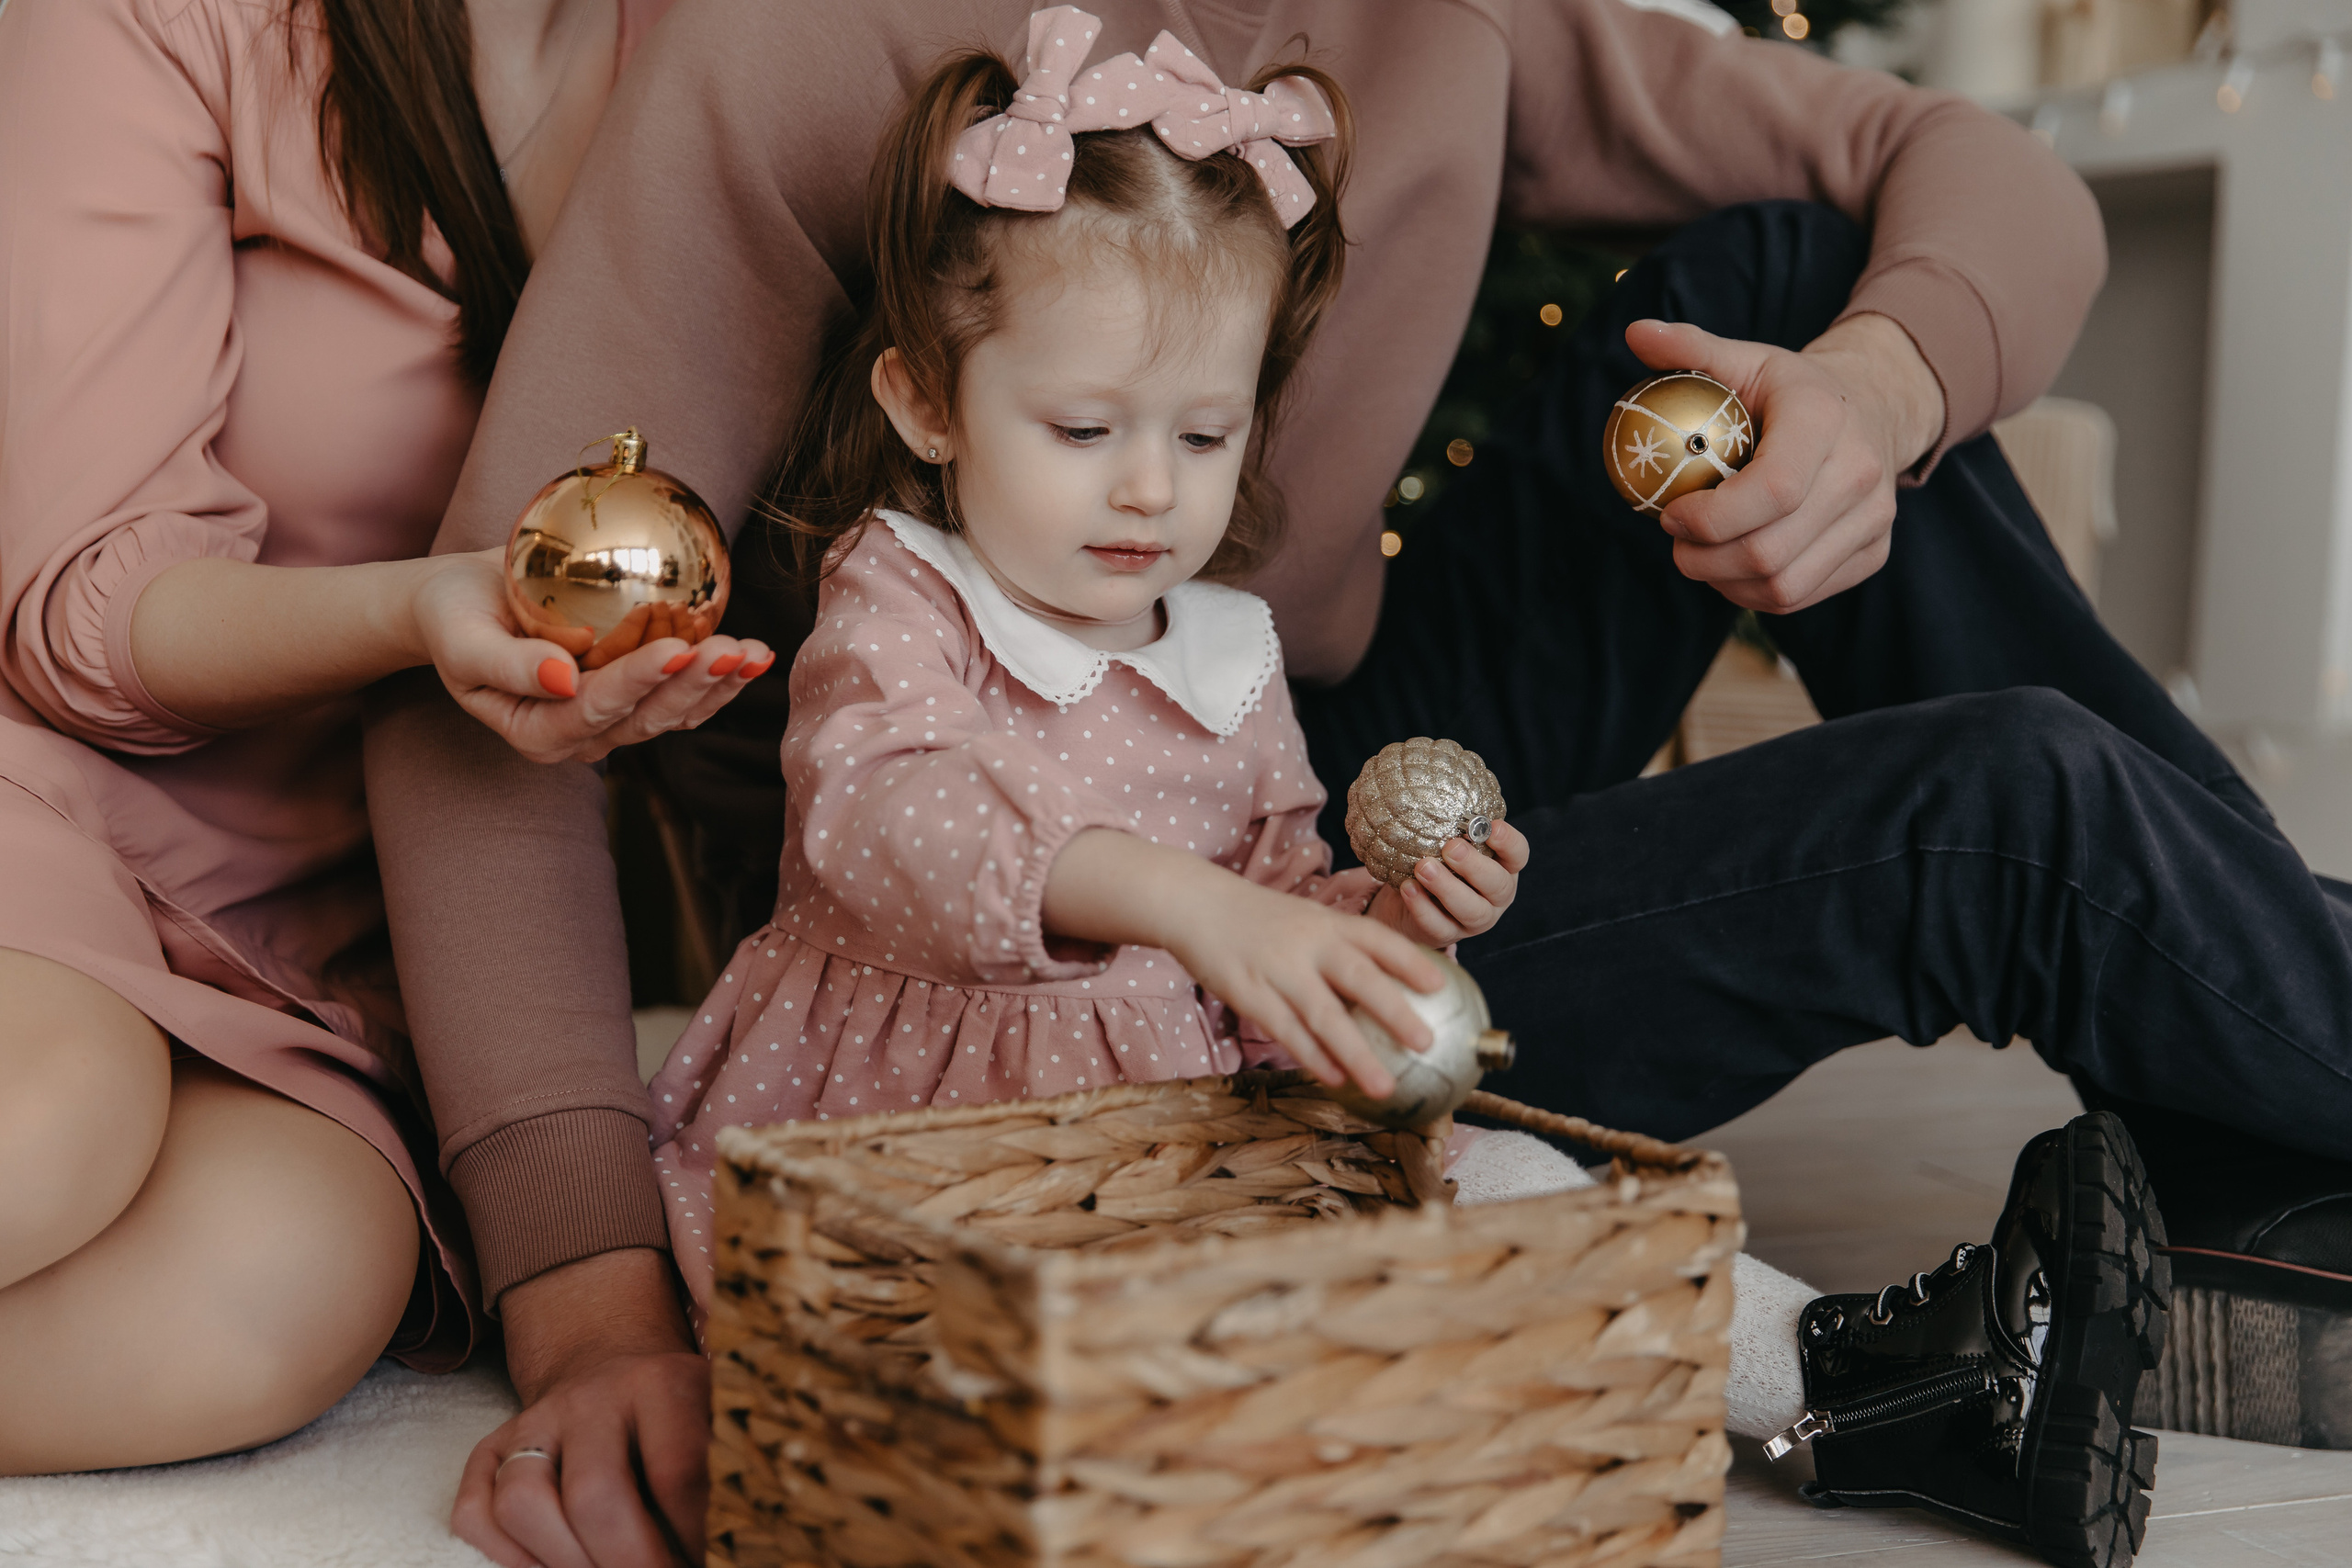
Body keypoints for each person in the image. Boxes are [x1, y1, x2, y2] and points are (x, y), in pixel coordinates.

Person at [369, 0, 2347, 1563]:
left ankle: (2261, 1110)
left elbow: (1974, 172)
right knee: (2006, 809)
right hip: (1019, 935)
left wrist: (1877, 399)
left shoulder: (1456, 21)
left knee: (1791, 266)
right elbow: (497, 672)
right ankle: (2261, 1108)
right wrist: (588, 1294)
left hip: (1289, 793)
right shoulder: (801, 51)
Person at [0, 0, 772, 1477]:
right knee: (44, 1121)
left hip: (360, 919)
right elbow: (76, 617)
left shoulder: (760, 48)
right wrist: (425, 609)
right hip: (52, 784)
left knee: (280, 1288)